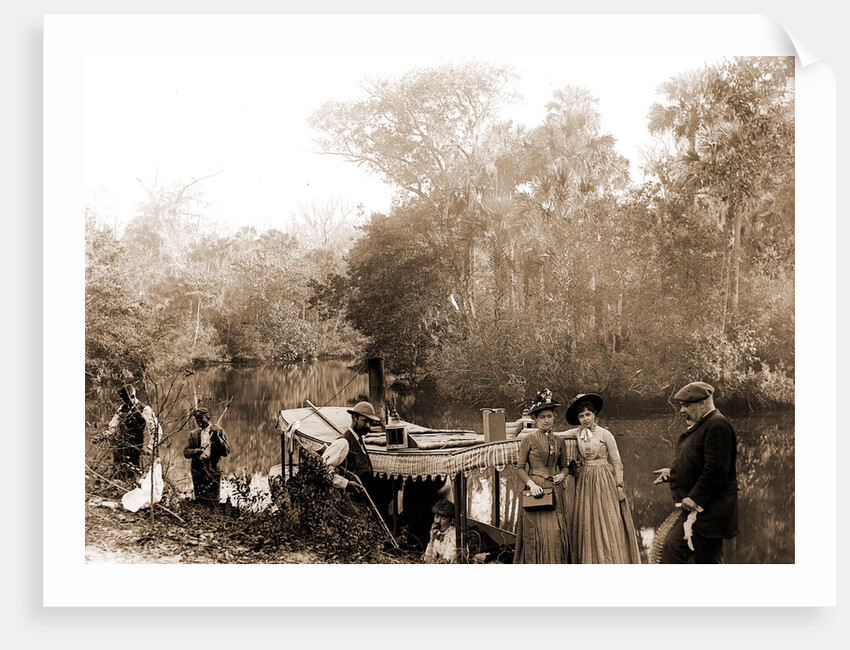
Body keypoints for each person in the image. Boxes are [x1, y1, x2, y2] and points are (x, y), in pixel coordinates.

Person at [654, 381, 738, 563]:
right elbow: (699, 463)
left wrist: (695, 498)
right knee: (707, 560)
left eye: (686, 405)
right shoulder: (705, 424)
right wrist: (673, 473)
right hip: (703, 511)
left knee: (671, 550)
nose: (682, 411)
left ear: (702, 403)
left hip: (708, 511)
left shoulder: (717, 425)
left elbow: (716, 471)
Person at [567, 393, 641, 563]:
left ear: (594, 415)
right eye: (581, 416)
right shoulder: (576, 433)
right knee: (586, 519)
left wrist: (619, 485)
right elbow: (557, 435)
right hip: (585, 479)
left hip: (603, 480)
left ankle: (609, 559)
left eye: (588, 414)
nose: (585, 419)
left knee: (606, 519)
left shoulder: (605, 434)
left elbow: (616, 462)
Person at [513, 388, 573, 564]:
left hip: (555, 490)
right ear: (536, 419)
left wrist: (563, 475)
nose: (547, 420)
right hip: (536, 491)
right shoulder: (528, 439)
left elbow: (565, 466)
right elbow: (519, 468)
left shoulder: (560, 440)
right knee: (536, 534)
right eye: (543, 417)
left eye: (550, 416)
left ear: (554, 417)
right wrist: (531, 484)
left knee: (555, 533)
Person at [321, 401, 391, 513]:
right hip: (348, 504)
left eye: (370, 422)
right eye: (364, 421)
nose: (368, 426)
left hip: (361, 503)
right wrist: (346, 483)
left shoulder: (360, 441)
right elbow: (322, 470)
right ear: (354, 418)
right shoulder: (343, 443)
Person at [98, 384, 162, 480]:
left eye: (128, 399)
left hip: (134, 447)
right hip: (120, 446)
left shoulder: (144, 409)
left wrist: (150, 447)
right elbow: (112, 426)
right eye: (124, 399)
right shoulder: (122, 408)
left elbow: (156, 430)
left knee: (132, 474)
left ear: (133, 396)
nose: (126, 402)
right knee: (118, 473)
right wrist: (103, 436)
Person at [183, 407, 231, 506]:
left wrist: (217, 438)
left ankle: (214, 519)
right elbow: (186, 452)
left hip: (213, 470)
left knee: (213, 502)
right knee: (200, 500)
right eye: (197, 420)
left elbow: (226, 452)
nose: (199, 422)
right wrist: (198, 451)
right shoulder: (193, 434)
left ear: (208, 418)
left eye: (201, 419)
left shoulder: (218, 431)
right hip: (198, 470)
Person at [422, 499, 458, 563]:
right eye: (437, 517)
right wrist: (432, 540)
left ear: (451, 521)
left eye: (443, 519)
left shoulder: (454, 535)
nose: (438, 521)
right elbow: (427, 560)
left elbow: (447, 560)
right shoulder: (436, 533)